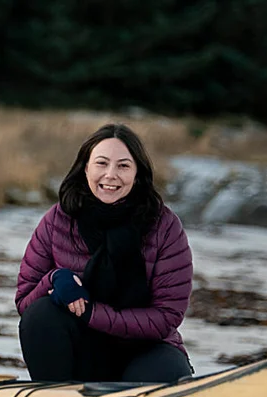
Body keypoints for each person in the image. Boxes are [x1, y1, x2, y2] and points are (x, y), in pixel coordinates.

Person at [15, 123, 193, 383]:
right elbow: (24, 303)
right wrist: (53, 280)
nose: (110, 175)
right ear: (85, 168)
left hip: (146, 348)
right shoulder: (58, 220)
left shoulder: (164, 226)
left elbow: (167, 316)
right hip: (82, 349)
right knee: (41, 315)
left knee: (165, 374)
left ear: (137, 174)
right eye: (101, 163)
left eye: (123, 166)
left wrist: (91, 313)